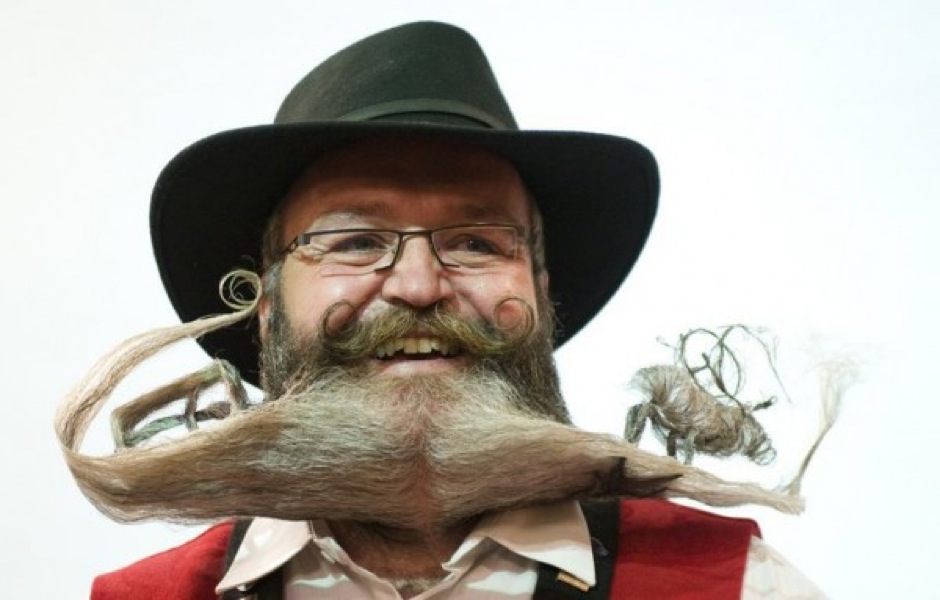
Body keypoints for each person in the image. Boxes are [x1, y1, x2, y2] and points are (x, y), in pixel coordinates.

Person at [56, 21, 829, 599]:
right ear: (262, 306)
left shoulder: (738, 587)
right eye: (355, 242)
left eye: (476, 243)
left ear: (540, 290)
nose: (420, 286)